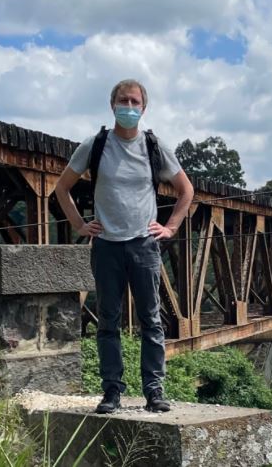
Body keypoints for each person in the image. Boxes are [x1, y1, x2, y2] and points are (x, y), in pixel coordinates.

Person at [55, 79, 194, 414]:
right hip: (106, 246)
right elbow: (62, 188)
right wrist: (79, 224)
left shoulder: (153, 146)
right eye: (122, 100)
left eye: (134, 102)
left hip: (144, 245)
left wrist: (171, 226)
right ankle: (112, 392)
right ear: (112, 104)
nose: (128, 107)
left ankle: (154, 391)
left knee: (151, 321)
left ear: (143, 108)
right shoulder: (96, 145)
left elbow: (186, 190)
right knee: (108, 322)